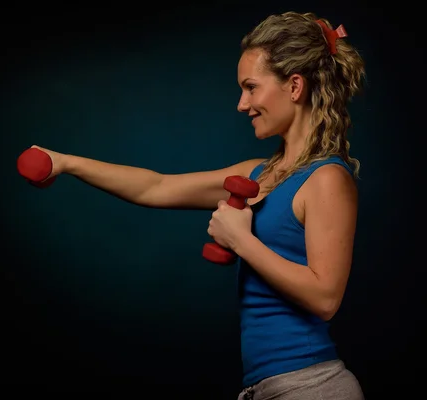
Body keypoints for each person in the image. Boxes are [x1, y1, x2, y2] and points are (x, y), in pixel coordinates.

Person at [28, 11, 366, 400]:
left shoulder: (327, 178)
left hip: (312, 386)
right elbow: (156, 187)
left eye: (251, 88)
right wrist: (66, 163)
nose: (242, 104)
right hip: (266, 388)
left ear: (294, 86)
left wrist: (241, 241)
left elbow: (325, 299)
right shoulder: (258, 174)